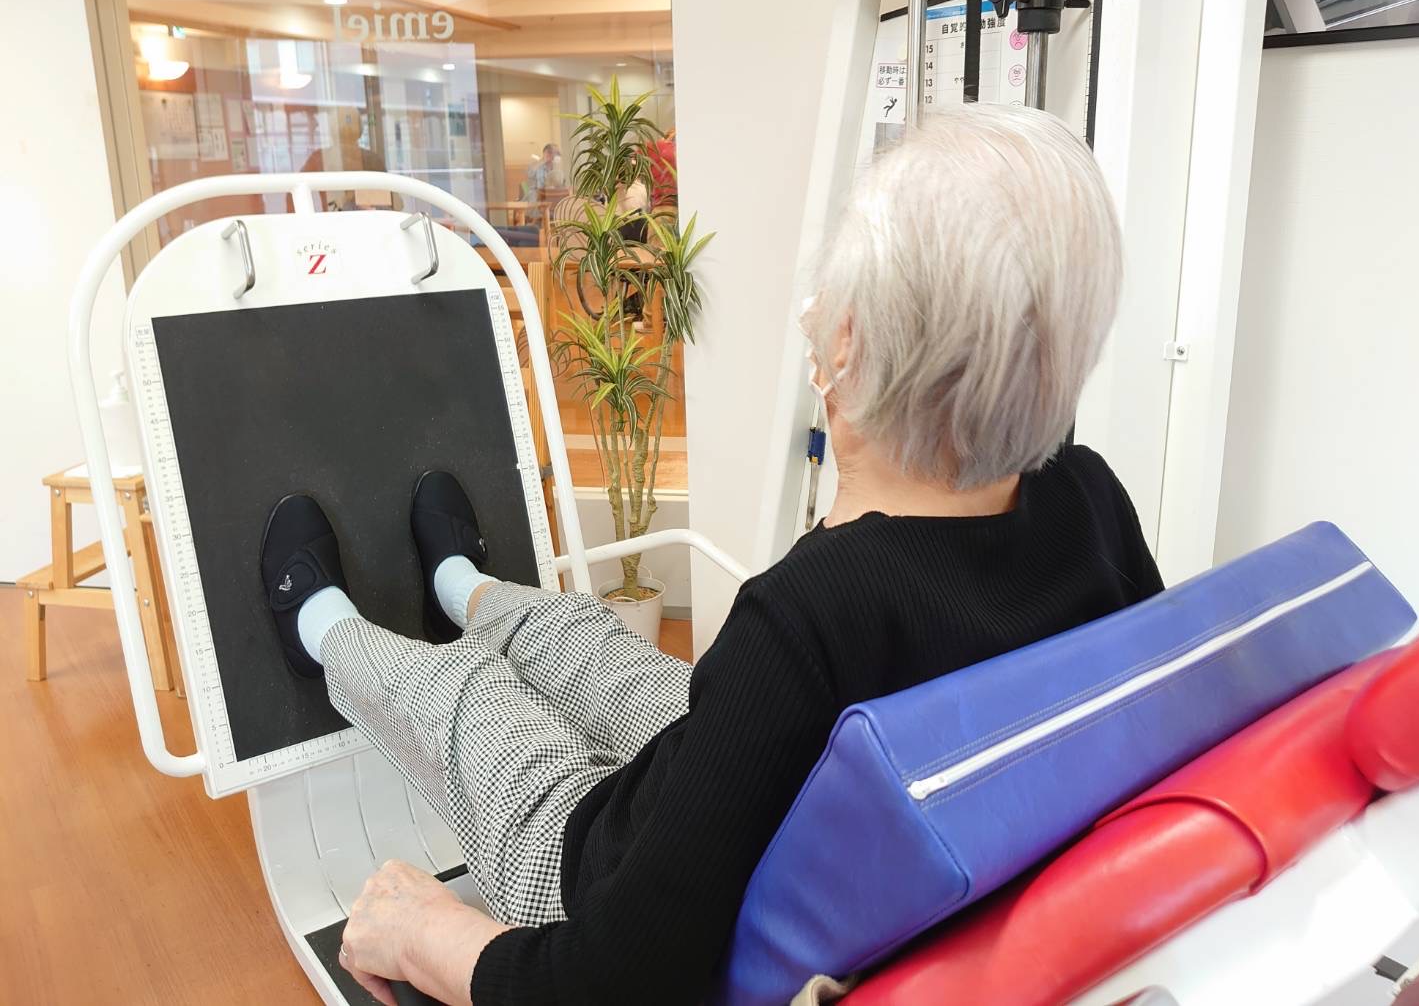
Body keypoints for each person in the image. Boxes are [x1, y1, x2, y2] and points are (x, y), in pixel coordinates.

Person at [256, 103, 1162, 1006]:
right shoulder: (1086, 498)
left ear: (848, 345)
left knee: (466, 695)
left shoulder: (812, 615)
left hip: (589, 868)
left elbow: (610, 983)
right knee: (590, 644)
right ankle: (463, 586)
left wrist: (426, 933)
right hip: (799, 797)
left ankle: (318, 624)